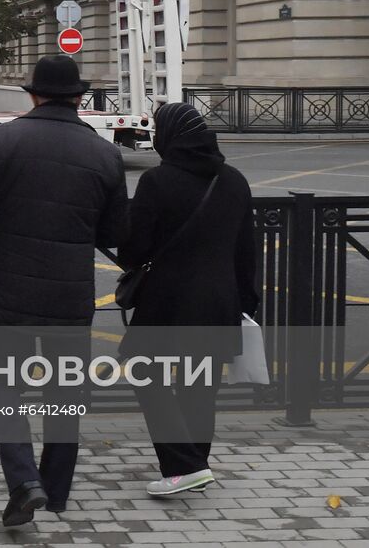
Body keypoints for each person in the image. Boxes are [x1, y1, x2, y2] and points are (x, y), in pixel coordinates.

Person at [0, 55, 128, 526]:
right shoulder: (105, 154)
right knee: (64, 396)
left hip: (8, 296)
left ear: (32, 94)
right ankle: (56, 492)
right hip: (70, 296)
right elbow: (114, 232)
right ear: (80, 97)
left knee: (4, 391)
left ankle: (24, 481)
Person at [117, 100, 260, 498]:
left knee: (147, 375)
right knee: (201, 389)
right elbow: (246, 252)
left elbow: (133, 251)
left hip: (168, 302)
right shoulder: (234, 180)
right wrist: (246, 303)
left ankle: (185, 466)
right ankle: (195, 462)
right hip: (220, 302)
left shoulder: (158, 182)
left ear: (169, 137)